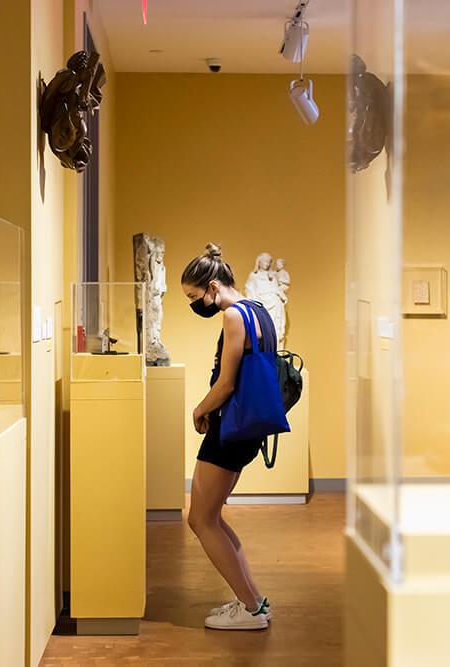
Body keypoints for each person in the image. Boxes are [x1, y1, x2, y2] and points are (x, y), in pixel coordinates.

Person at [181, 242, 275, 631]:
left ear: (213, 286)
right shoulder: (259, 310)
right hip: (247, 427)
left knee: (200, 520)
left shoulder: (234, 316)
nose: (195, 304)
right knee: (210, 517)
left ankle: (251, 608)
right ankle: (251, 600)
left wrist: (199, 409)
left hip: (231, 427)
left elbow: (226, 384)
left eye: (193, 296)